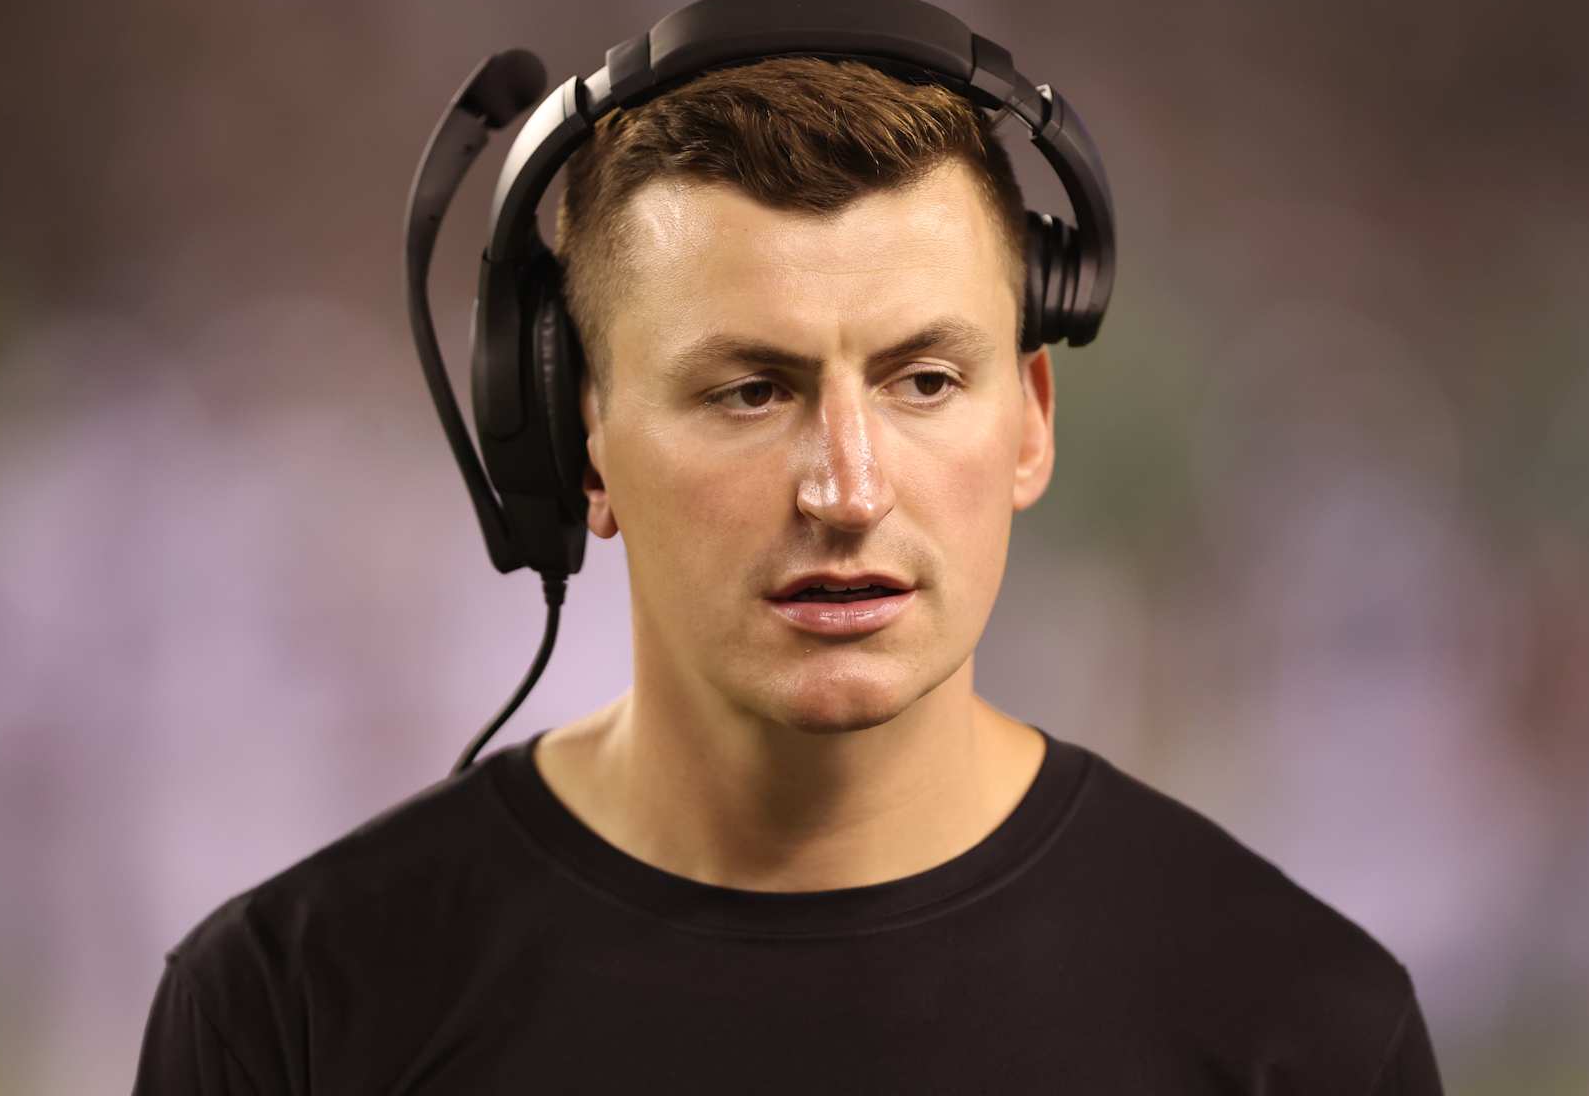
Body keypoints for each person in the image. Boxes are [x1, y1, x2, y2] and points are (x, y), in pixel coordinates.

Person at [134, 55, 1445, 1093]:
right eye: (749, 391)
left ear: (1032, 419)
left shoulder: (1304, 1024)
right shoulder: (290, 1010)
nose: (848, 489)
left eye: (924, 382)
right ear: (574, 439)